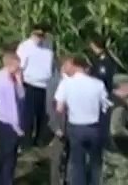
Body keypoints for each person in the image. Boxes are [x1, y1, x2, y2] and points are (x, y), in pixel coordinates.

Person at [54, 55, 111, 185]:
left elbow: (59, 108)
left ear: (74, 65)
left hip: (75, 127)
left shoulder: (66, 83)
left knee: (77, 162)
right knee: (95, 163)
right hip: (94, 127)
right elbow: (106, 106)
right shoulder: (98, 84)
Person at [18, 24, 56, 147]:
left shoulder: (48, 46)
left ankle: (40, 139)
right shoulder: (25, 47)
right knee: (28, 115)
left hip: (44, 85)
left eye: (42, 35)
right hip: (30, 84)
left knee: (42, 115)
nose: (40, 38)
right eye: (38, 35)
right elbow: (20, 67)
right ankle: (26, 142)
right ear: (32, 34)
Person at [0, 48, 25, 185]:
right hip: (9, 123)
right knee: (9, 155)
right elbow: (12, 108)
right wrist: (17, 128)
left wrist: (20, 81)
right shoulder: (7, 83)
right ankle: (5, 181)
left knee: (1, 152)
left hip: (1, 120)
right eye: (18, 65)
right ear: (10, 64)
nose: (20, 68)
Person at [101, 74, 128, 185]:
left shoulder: (108, 99)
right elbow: (116, 129)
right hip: (120, 152)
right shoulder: (120, 106)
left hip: (108, 149)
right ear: (125, 86)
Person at [49, 57, 73, 185]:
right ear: (63, 66)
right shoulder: (55, 82)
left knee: (69, 156)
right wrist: (55, 126)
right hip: (60, 125)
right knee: (57, 157)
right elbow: (50, 107)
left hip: (71, 125)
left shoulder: (73, 81)